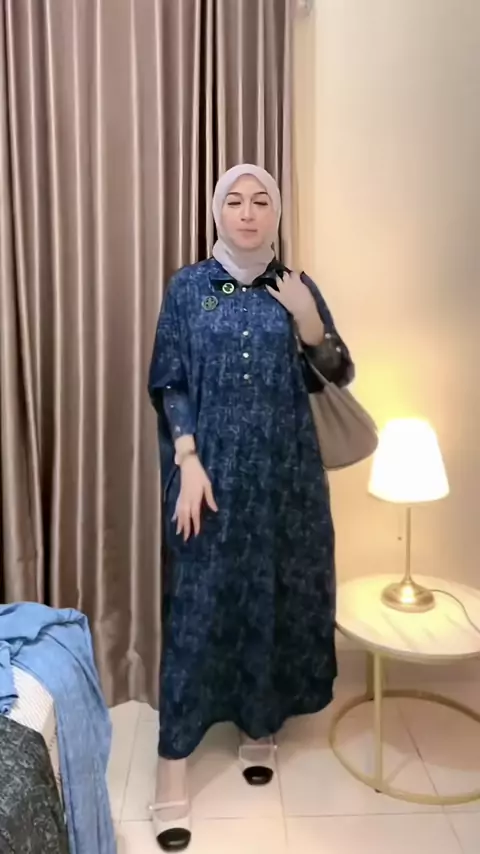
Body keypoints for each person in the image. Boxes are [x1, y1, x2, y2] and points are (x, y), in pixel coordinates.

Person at [148, 164, 354, 851]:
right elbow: (170, 380)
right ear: (217, 212)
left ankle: (258, 725)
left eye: (261, 200)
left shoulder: (295, 286)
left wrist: (308, 321)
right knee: (198, 609)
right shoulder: (189, 288)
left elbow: (338, 373)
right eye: (234, 200)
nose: (247, 212)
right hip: (208, 478)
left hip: (285, 483)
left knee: (269, 598)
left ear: (275, 213)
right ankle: (172, 768)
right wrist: (186, 459)